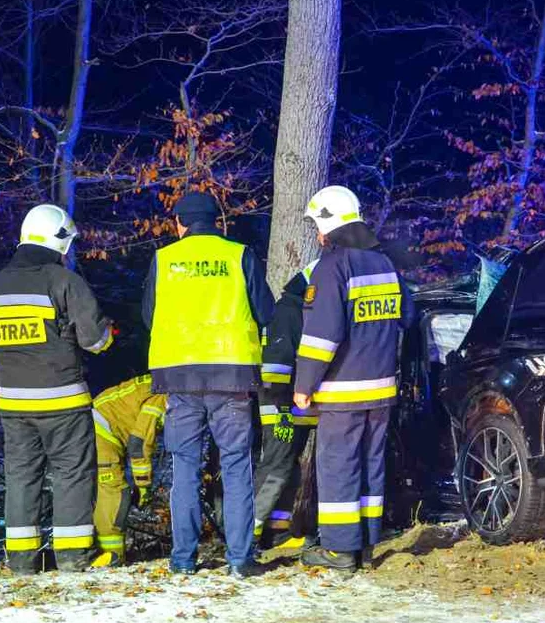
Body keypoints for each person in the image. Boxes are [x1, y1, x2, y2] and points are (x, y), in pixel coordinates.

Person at [0, 203, 113, 574]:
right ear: (59, 240)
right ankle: (73, 560)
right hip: (65, 402)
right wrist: (107, 332)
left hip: (14, 406)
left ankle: (23, 563)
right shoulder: (64, 281)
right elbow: (95, 341)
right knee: (72, 475)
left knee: (21, 478)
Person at [142, 192, 274, 577]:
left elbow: (149, 316)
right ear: (216, 222)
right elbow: (264, 310)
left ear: (181, 223)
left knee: (184, 466)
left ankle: (183, 560)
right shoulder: (239, 254)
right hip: (231, 375)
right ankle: (240, 559)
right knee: (235, 465)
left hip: (179, 378)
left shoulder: (163, 259)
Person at [294, 186, 415, 572]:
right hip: (382, 389)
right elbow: (407, 318)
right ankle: (364, 545)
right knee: (370, 464)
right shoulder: (384, 263)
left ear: (329, 225)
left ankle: (339, 550)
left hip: (343, 390)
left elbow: (321, 335)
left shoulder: (333, 266)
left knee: (339, 466)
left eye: (317, 226)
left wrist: (303, 385)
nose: (316, 235)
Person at [255, 260, 320, 550]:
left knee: (289, 467)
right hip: (280, 405)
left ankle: (276, 531)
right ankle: (248, 532)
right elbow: (276, 365)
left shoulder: (302, 311)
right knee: (276, 466)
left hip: (295, 406)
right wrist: (281, 409)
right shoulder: (288, 311)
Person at [89, 374, 167, 567]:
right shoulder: (162, 397)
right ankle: (111, 557)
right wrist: (144, 488)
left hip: (97, 426)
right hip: (100, 433)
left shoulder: (157, 382)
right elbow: (139, 444)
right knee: (114, 493)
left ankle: (105, 553)